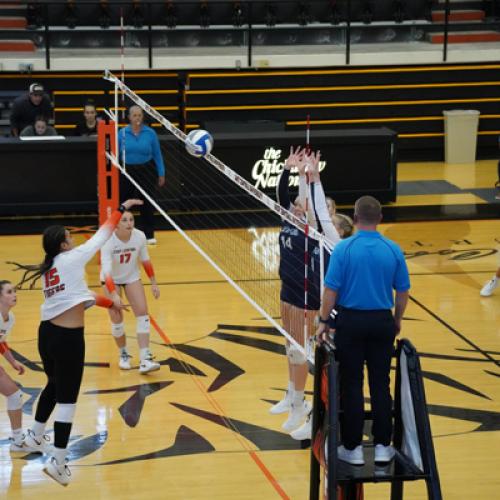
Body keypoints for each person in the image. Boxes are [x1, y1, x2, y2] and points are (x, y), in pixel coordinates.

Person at [9, 198, 142, 486]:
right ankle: (58, 461)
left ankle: (34, 436)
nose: (74, 239)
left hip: (46, 334)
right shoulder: (72, 259)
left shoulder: (52, 268)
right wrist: (120, 208)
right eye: (70, 237)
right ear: (64, 245)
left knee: (54, 386)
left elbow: (82, 297)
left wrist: (110, 303)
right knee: (67, 400)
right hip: (67, 340)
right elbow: (103, 234)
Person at [316, 195, 410, 466]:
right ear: (380, 219)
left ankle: (353, 447)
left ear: (355, 219)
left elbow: (330, 292)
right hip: (382, 323)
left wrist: (324, 321)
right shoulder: (393, 249)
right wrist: (396, 318)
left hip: (351, 323)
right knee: (381, 384)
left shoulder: (344, 249)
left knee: (352, 384)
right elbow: (402, 292)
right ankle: (382, 445)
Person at [270, 146, 341, 434]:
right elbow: (281, 197)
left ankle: (305, 408)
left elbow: (317, 209)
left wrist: (307, 177)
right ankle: (293, 398)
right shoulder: (290, 219)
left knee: (306, 355)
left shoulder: (316, 231)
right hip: (288, 291)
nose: (298, 207)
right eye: (297, 205)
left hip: (309, 297)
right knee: (292, 350)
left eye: (303, 205)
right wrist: (290, 170)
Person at [100, 209, 161, 373]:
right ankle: (124, 354)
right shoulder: (108, 241)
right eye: (124, 220)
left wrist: (154, 283)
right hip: (111, 279)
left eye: (131, 220)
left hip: (131, 276)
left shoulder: (139, 236)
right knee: (116, 317)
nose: (129, 223)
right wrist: (113, 295)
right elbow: (106, 272)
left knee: (142, 313)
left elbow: (145, 260)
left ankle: (145, 359)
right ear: (116, 225)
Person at [118, 105, 166, 245]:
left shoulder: (150, 133)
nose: (137, 118)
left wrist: (161, 173)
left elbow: (157, 155)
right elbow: (115, 154)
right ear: (129, 117)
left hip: (146, 170)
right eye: (134, 115)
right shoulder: (122, 133)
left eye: (139, 115)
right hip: (127, 171)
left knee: (147, 203)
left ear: (142, 117)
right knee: (124, 202)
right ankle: (122, 232)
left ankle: (149, 235)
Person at [0, 280, 36, 453]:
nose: (14, 294)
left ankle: (17, 441)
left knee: (14, 395)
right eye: (9, 292)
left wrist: (13, 361)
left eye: (14, 291)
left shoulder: (9, 318)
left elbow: (1, 342)